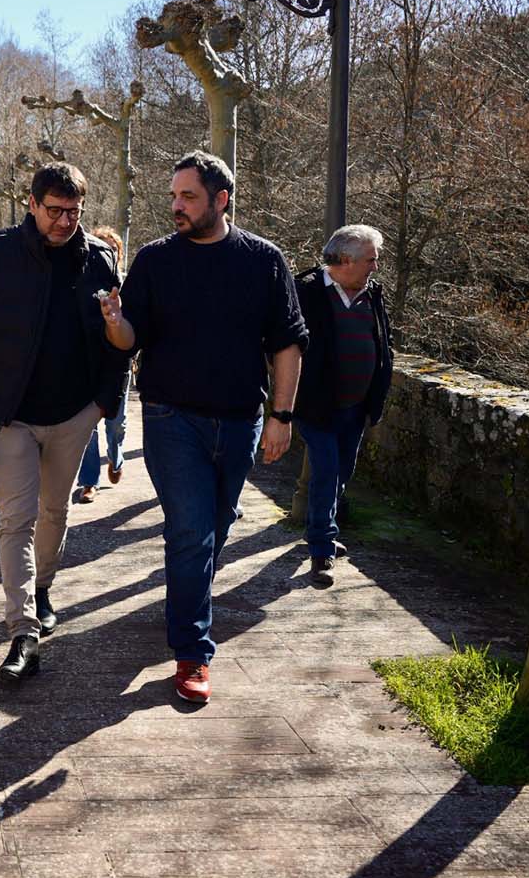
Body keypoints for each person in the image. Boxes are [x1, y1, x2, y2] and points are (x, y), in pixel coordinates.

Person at [101, 151, 307, 705]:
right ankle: (192, 650)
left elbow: (286, 344)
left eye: (187, 197)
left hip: (240, 420)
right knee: (191, 530)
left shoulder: (263, 260)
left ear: (221, 200)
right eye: (173, 196)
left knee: (214, 526)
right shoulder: (154, 260)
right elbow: (129, 340)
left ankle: (184, 600)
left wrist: (281, 416)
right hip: (172, 418)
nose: (176, 206)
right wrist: (117, 324)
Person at [0, 162, 129, 688]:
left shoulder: (99, 258)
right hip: (12, 414)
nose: (64, 221)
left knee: (56, 509)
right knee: (16, 519)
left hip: (75, 413)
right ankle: (22, 630)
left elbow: (116, 338)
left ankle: (43, 586)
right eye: (54, 211)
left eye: (74, 212)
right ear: (31, 204)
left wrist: (104, 404)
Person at [292, 224, 393, 587]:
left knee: (341, 474)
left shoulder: (372, 294)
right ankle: (321, 549)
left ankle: (322, 530)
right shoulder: (305, 291)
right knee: (326, 471)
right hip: (317, 405)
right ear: (346, 260)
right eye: (371, 259)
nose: (375, 267)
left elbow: (382, 342)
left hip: (356, 405)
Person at [74, 226, 131, 504]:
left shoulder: (129, 285)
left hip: (119, 365)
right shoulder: (84, 281)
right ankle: (88, 482)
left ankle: (116, 457)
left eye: (111, 248)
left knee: (116, 424)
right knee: (88, 426)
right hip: (88, 365)